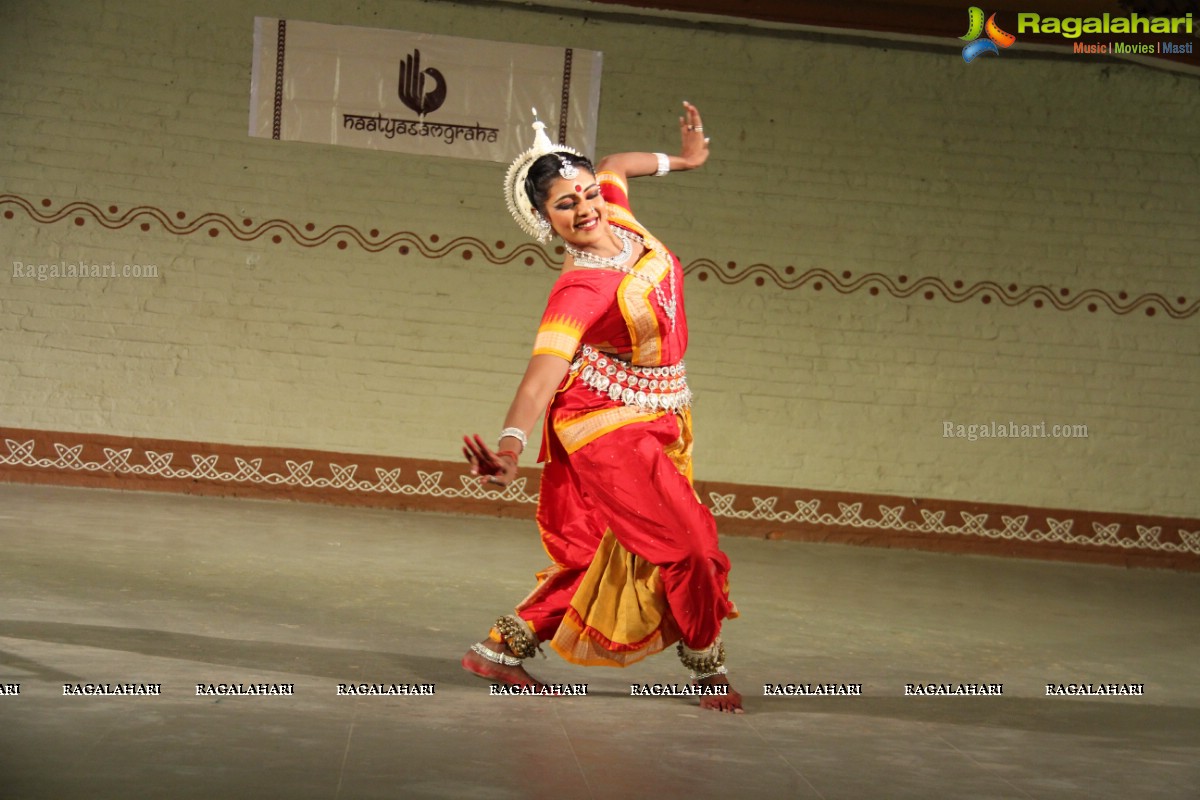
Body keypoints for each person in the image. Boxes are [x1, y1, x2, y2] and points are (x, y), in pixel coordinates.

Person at [461, 102, 741, 713]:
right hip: (604, 427)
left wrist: (684, 161)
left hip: (660, 415)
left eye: (587, 194)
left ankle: (499, 649)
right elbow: (541, 376)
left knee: (616, 550)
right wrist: (510, 445)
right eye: (566, 205)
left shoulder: (617, 214)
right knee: (690, 546)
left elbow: (617, 163)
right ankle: (707, 663)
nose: (586, 209)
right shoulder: (580, 286)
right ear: (543, 218)